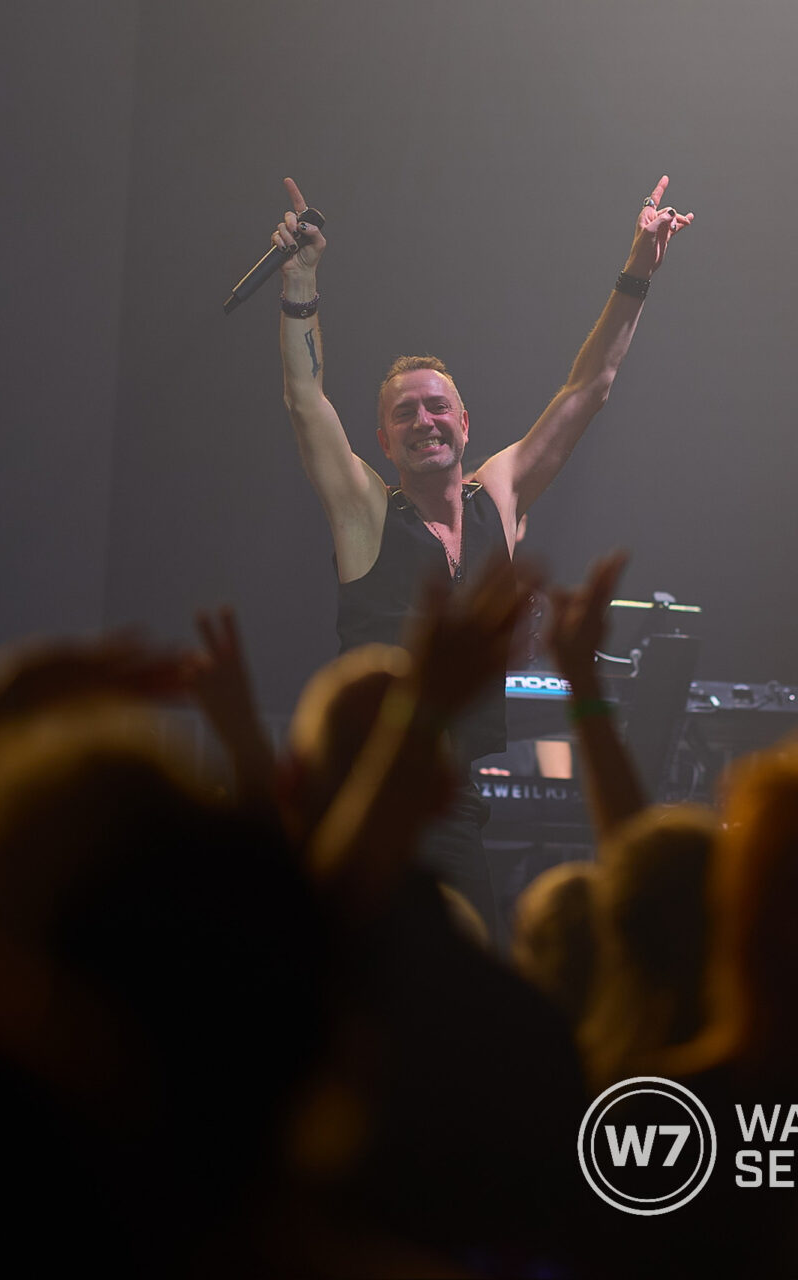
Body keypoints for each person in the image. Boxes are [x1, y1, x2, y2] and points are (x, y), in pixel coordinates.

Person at [268, 173, 695, 923]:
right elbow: (307, 403)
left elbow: (589, 388)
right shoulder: (367, 511)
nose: (423, 422)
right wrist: (301, 282)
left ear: (464, 423)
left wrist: (638, 268)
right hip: (367, 792)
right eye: (405, 414)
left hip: (452, 796)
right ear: (384, 441)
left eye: (437, 407)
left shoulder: (498, 495)